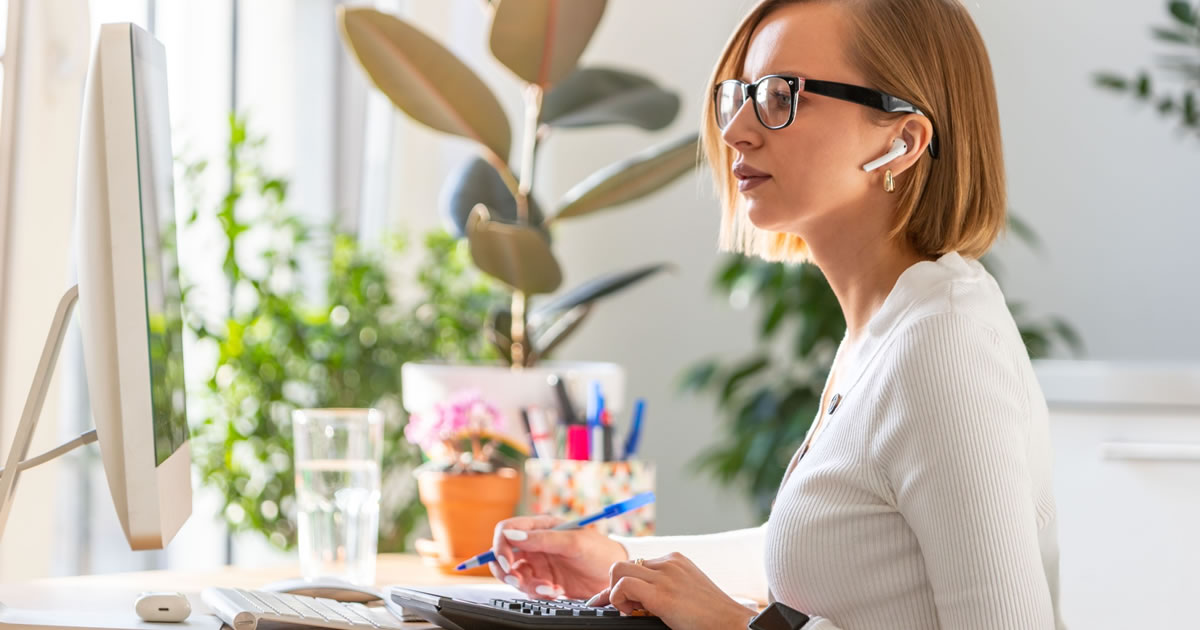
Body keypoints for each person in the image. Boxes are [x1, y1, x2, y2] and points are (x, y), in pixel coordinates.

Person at [488, 1, 1064, 628]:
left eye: (780, 95)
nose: (737, 129)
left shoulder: (943, 346)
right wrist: (622, 561)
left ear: (901, 140)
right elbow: (827, 559)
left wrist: (736, 626)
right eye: (739, 94)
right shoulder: (888, 326)